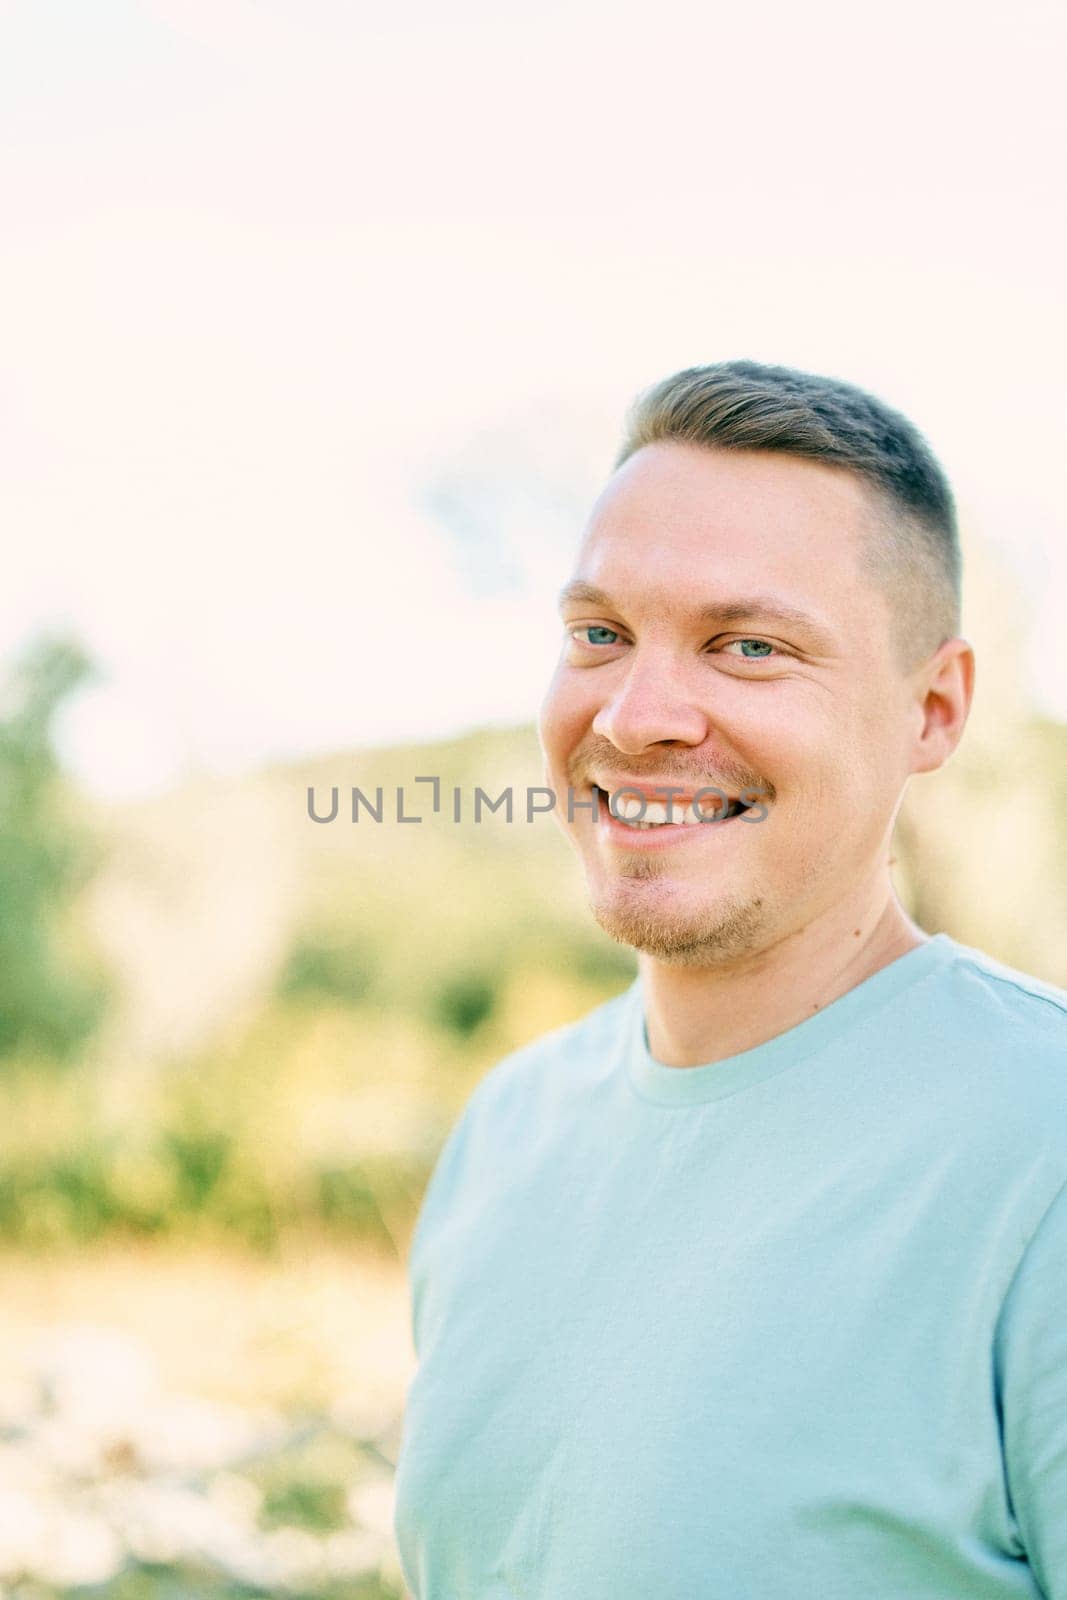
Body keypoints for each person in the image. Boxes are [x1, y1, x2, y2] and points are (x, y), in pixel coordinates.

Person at [393, 361, 1067, 1599]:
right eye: (598, 633)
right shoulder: (504, 1133)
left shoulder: (1043, 1150)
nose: (637, 715)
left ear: (932, 708)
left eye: (746, 646)